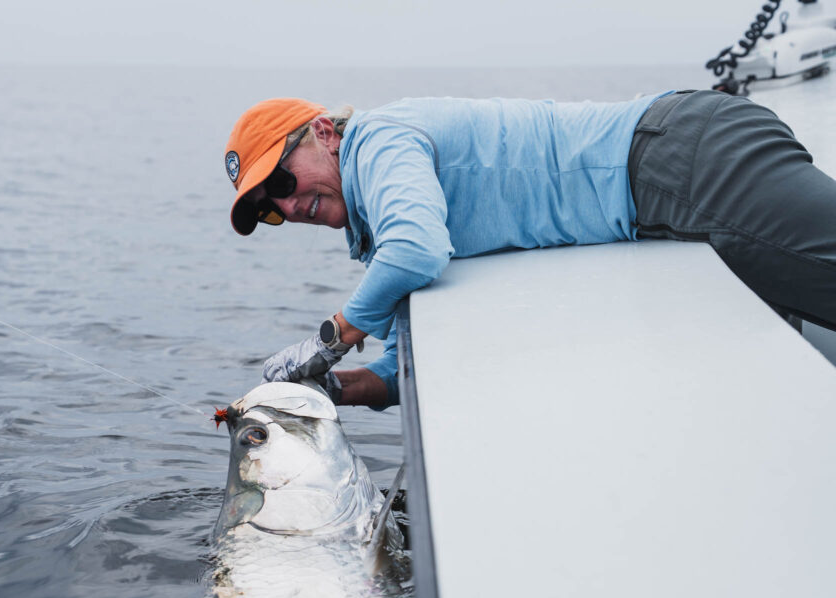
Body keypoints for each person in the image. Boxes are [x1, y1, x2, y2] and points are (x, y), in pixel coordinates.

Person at [223, 92, 836, 410]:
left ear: (325, 133)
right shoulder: (383, 215)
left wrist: (330, 339)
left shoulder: (379, 143)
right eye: (269, 211)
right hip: (667, 186)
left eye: (281, 181)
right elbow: (408, 356)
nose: (289, 205)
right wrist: (339, 387)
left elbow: (417, 249)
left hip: (677, 161)